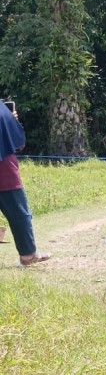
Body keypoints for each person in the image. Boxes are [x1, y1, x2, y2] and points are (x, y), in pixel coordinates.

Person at [0, 104, 50, 267]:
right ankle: (28, 255)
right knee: (19, 212)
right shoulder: (2, 111)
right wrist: (12, 121)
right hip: (4, 168)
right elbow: (17, 142)